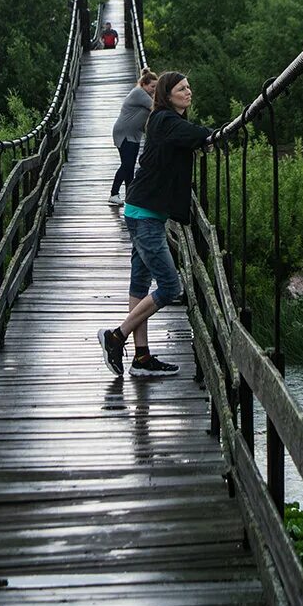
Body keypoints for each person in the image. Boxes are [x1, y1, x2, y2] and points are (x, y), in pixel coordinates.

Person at [98, 72, 211, 377]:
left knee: (139, 283)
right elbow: (195, 134)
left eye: (189, 87)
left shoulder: (166, 121)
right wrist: (214, 135)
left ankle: (142, 357)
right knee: (171, 286)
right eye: (181, 88)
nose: (189, 92)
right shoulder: (163, 119)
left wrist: (204, 135)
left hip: (143, 212)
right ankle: (116, 337)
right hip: (145, 215)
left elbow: (189, 134)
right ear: (166, 93)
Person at [108, 67, 158, 206]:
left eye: (156, 87)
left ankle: (130, 196)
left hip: (133, 135)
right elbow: (156, 107)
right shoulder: (139, 93)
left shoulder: (144, 93)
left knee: (129, 166)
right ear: (144, 84)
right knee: (127, 164)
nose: (154, 90)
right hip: (125, 134)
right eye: (152, 86)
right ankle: (114, 193)